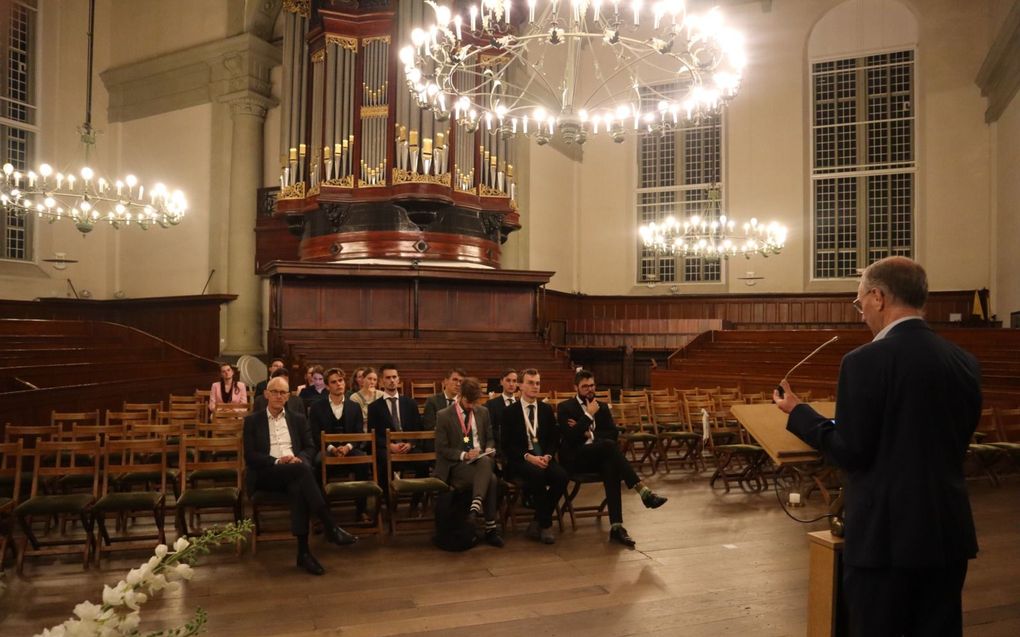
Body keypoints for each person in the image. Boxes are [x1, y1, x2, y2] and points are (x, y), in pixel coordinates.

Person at [773, 256, 982, 637]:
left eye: (859, 302)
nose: (860, 313)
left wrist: (801, 414)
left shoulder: (865, 361)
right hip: (947, 531)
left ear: (878, 297)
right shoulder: (963, 361)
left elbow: (852, 451)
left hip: (887, 538)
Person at [243, 376, 357, 575]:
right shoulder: (252, 421)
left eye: (283, 393)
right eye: (275, 392)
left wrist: (298, 459)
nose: (279, 396)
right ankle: (330, 526)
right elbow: (251, 456)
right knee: (303, 472)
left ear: (288, 396)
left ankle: (303, 554)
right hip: (266, 475)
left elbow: (310, 447)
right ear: (266, 394)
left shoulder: (297, 419)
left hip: (294, 471)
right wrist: (278, 461)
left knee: (299, 484)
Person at [556, 369, 667, 548]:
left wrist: (588, 432)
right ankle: (642, 491)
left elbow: (612, 434)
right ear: (576, 387)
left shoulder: (602, 406)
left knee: (611, 465)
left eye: (592, 385)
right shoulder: (565, 407)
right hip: (576, 460)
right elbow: (570, 438)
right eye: (585, 386)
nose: (589, 389)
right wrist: (588, 416)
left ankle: (617, 527)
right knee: (608, 448)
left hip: (598, 456)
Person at [500, 368, 567, 544]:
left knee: (562, 476)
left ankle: (537, 520)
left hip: (543, 458)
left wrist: (548, 456)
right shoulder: (510, 412)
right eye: (530, 383)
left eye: (537, 383)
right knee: (537, 474)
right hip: (520, 460)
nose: (535, 386)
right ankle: (545, 525)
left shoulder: (545, 410)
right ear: (520, 385)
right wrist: (528, 457)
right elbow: (507, 445)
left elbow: (554, 438)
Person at [434, 377, 503, 547]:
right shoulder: (444, 415)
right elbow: (442, 449)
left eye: (474, 402)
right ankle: (490, 529)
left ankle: (475, 508)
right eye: (468, 401)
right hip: (458, 465)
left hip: (481, 461)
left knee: (486, 463)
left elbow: (490, 439)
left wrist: (488, 448)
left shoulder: (483, 412)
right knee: (492, 479)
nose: (471, 406)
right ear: (460, 395)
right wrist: (464, 455)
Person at [308, 367, 370, 519]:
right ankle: (321, 513)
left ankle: (361, 510)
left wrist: (348, 447)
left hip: (349, 448)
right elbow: (315, 434)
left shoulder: (354, 406)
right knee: (316, 464)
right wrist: (331, 448)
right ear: (327, 386)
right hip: (327, 449)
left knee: (363, 461)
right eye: (334, 382)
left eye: (341, 381)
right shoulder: (317, 407)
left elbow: (358, 433)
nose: (338, 384)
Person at [366, 364, 427, 493]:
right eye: (388, 378)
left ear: (398, 379)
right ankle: (386, 502)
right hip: (387, 450)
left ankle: (415, 503)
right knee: (381, 462)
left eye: (394, 377)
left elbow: (418, 429)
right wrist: (389, 446)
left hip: (408, 448)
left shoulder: (410, 403)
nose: (392, 380)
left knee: (424, 462)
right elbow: (373, 434)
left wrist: (410, 444)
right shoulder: (374, 407)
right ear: (382, 381)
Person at [484, 368, 518, 451]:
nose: (511, 384)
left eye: (514, 381)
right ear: (501, 382)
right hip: (500, 447)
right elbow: (490, 430)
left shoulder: (521, 404)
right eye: (508, 380)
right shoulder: (491, 404)